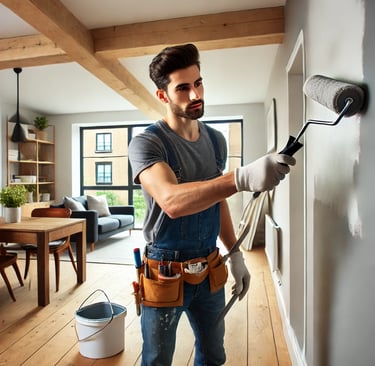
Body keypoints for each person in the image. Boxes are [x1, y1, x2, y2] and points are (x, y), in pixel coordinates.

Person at [128, 43, 295, 366]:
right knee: (157, 359)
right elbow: (172, 201)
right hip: (165, 270)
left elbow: (216, 200)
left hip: (209, 266)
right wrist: (239, 178)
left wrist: (235, 255)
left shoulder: (215, 140)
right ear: (162, 95)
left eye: (199, 83)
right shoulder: (148, 143)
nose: (195, 95)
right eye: (183, 88)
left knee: (213, 354)